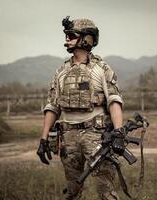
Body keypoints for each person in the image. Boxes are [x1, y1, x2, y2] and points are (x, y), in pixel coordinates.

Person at [37, 16, 125, 200]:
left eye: (71, 35)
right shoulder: (61, 71)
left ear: (87, 38)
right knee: (72, 191)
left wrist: (118, 132)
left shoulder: (101, 68)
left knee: (106, 190)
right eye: (66, 35)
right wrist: (43, 139)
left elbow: (114, 100)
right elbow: (52, 106)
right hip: (68, 138)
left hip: (96, 135)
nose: (66, 39)